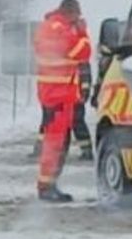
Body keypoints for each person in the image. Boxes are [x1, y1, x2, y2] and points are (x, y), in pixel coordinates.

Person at [34, 0, 91, 202]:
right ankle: (47, 186)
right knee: (56, 143)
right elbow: (82, 52)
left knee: (57, 141)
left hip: (54, 93)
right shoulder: (59, 28)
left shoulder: (48, 26)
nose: (78, 20)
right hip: (58, 94)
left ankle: (49, 184)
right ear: (70, 12)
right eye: (77, 16)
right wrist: (82, 32)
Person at [30, 16, 94, 161]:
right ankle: (42, 149)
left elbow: (84, 70)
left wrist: (84, 92)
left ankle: (87, 150)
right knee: (50, 120)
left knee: (75, 120)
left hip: (72, 93)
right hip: (57, 92)